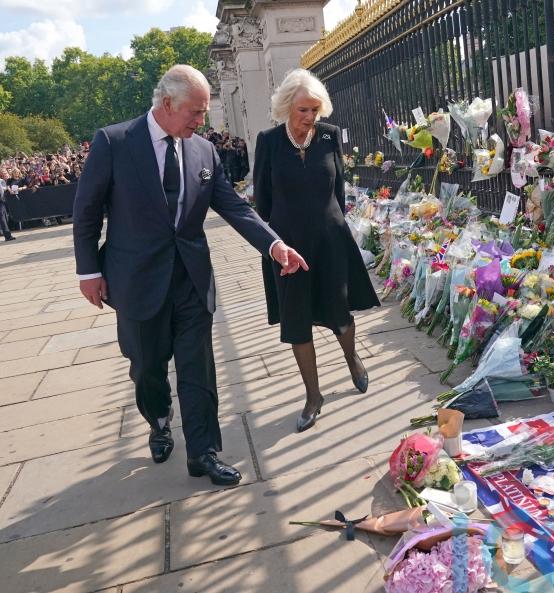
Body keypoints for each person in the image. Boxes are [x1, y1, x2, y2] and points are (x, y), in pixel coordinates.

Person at [72, 65, 307, 486]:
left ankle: (203, 452)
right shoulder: (115, 142)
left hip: (192, 279)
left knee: (198, 367)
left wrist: (274, 245)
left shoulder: (203, 151)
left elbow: (234, 207)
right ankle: (159, 420)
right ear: (166, 104)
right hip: (136, 280)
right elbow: (86, 210)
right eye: (195, 113)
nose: (202, 121)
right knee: (146, 366)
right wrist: (88, 270)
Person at [254, 68, 380, 433]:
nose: (309, 118)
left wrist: (337, 226)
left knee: (339, 310)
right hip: (288, 248)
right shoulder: (269, 142)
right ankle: (313, 396)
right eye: (302, 110)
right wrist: (272, 246)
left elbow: (338, 188)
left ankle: (351, 356)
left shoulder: (329, 136)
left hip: (329, 241)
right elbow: (262, 201)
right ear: (285, 107)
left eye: (314, 110)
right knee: (297, 322)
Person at [0, 168, 17, 241]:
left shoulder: (1, 181)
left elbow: (4, 188)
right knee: (2, 218)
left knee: (4, 218)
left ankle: (7, 235)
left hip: (2, 201)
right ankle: (7, 236)